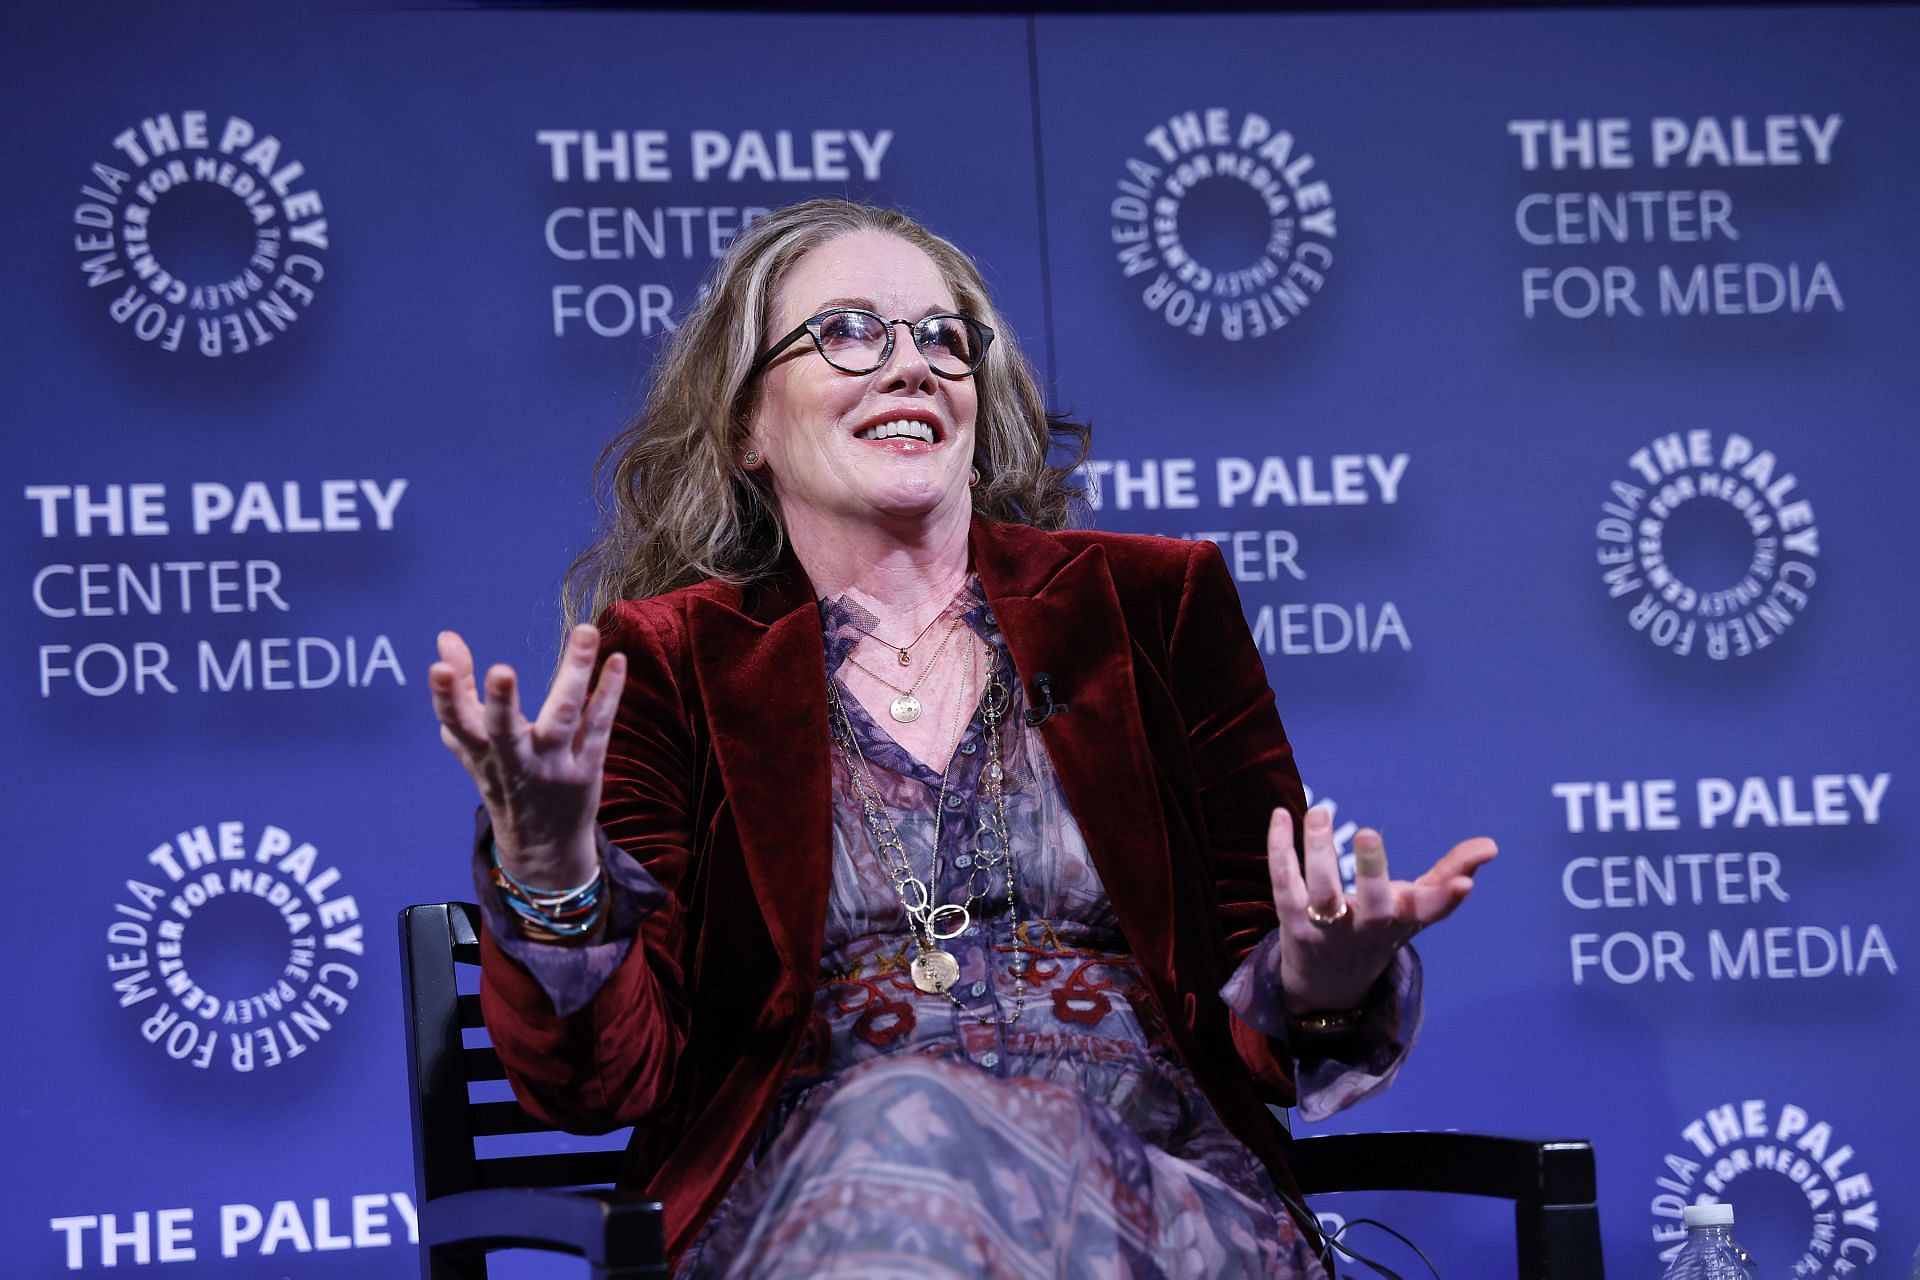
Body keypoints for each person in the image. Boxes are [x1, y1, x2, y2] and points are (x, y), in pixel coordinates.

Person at [428, 198, 1495, 1278]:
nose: (912, 366)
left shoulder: (1152, 608)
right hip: (806, 1217)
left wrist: (1320, 980)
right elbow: (596, 1081)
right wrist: (556, 871)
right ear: (747, 421)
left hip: (1158, 1205)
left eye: (943, 338)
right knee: (898, 1119)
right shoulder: (666, 663)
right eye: (849, 331)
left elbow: (1259, 1022)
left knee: (918, 1120)